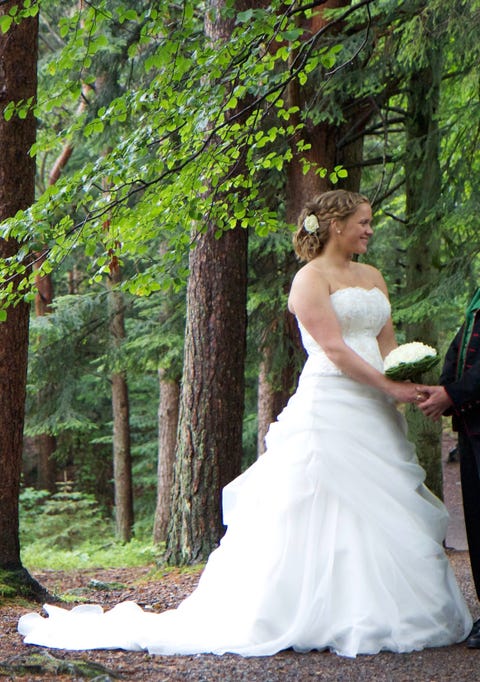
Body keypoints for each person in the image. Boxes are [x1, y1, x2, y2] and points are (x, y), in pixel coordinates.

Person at [18, 190, 472, 658]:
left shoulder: (372, 276)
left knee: (379, 504)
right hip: (332, 404)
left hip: (376, 407)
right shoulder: (309, 279)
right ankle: (309, 610)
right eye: (364, 222)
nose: (370, 230)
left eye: (370, 222)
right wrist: (389, 386)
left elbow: (386, 341)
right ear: (336, 225)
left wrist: (403, 380)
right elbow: (335, 350)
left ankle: (382, 608)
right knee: (318, 500)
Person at [418, 287, 480, 648]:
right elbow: (461, 344)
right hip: (471, 425)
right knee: (476, 518)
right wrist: (445, 389)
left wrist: (453, 395)